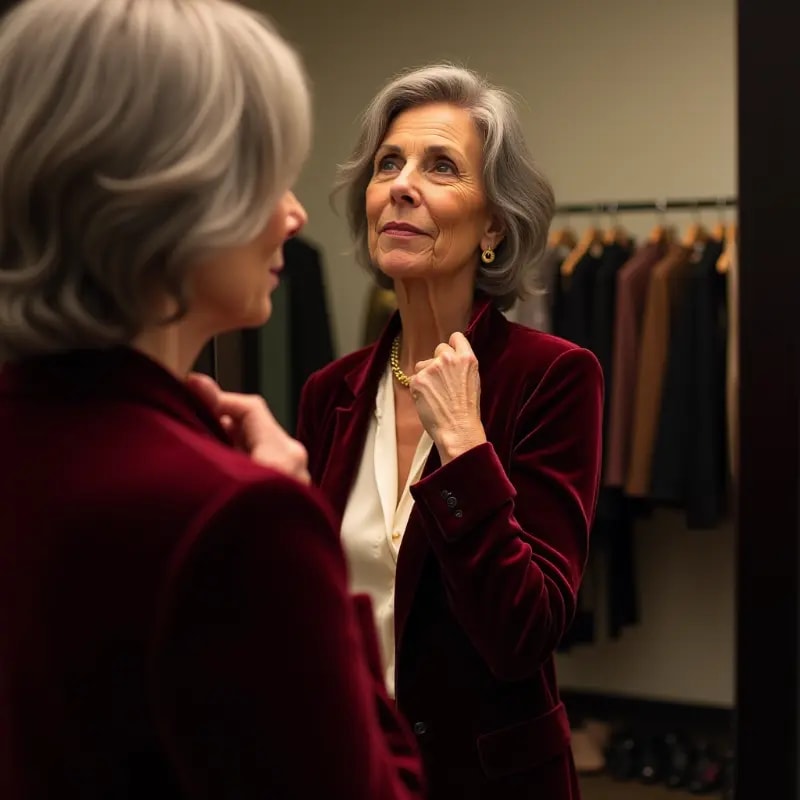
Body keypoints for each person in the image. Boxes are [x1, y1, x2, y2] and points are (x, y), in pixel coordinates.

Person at [0, 1, 425, 798]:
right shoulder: (238, 520)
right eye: (272, 178)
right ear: (179, 194)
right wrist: (305, 539)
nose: (295, 215)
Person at [297, 64, 604, 800]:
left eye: (441, 167)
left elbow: (523, 632)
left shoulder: (552, 378)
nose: (402, 185)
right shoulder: (329, 394)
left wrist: (466, 448)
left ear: (494, 224)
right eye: (388, 165)